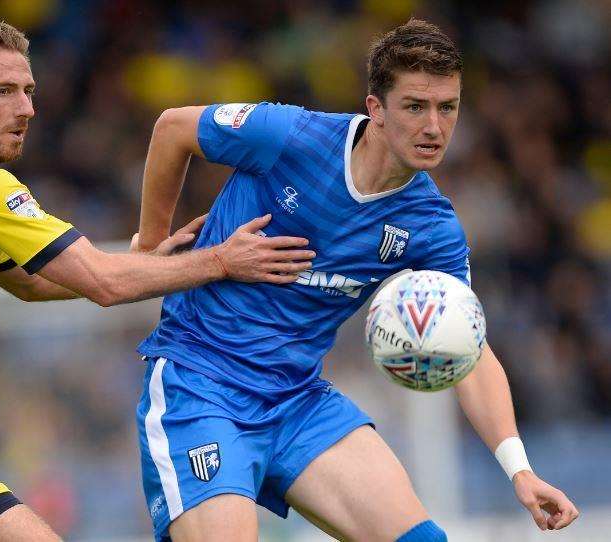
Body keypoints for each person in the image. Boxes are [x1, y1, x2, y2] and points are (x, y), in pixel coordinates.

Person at [0, 21, 316, 542]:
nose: (25, 109)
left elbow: (34, 283)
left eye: (29, 92)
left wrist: (148, 261)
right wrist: (222, 261)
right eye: (3, 92)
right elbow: (102, 282)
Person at [134, 18, 579, 542]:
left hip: (296, 400)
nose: (434, 126)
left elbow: (470, 350)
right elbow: (173, 129)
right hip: (201, 384)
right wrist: (149, 250)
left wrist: (520, 471)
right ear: (376, 109)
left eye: (448, 107)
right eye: (415, 106)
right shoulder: (292, 137)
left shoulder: (431, 226)